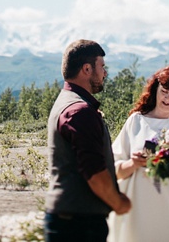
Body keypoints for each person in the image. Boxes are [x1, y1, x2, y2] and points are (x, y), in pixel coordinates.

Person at [108, 65, 169, 242]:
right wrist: (133, 163)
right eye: (164, 91)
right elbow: (113, 169)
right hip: (140, 207)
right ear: (155, 89)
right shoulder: (136, 121)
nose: (168, 98)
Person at [44, 39, 131, 242]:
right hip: (78, 225)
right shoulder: (80, 111)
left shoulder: (67, 101)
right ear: (86, 69)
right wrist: (119, 203)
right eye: (102, 67)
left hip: (70, 219)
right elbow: (94, 173)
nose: (104, 73)